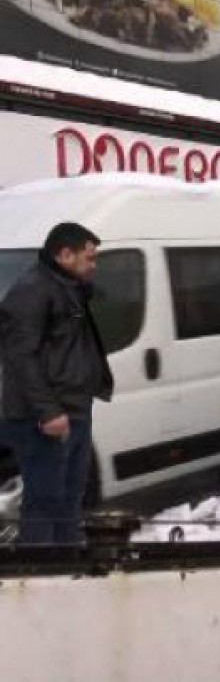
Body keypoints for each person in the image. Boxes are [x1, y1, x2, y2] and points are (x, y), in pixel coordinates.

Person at [0, 223, 113, 544]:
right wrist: (48, 411)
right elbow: (21, 357)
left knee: (70, 497)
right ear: (65, 255)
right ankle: (42, 566)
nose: (94, 265)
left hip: (74, 408)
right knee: (46, 501)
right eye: (89, 258)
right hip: (43, 419)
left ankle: (68, 561)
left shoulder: (66, 287)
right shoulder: (32, 291)